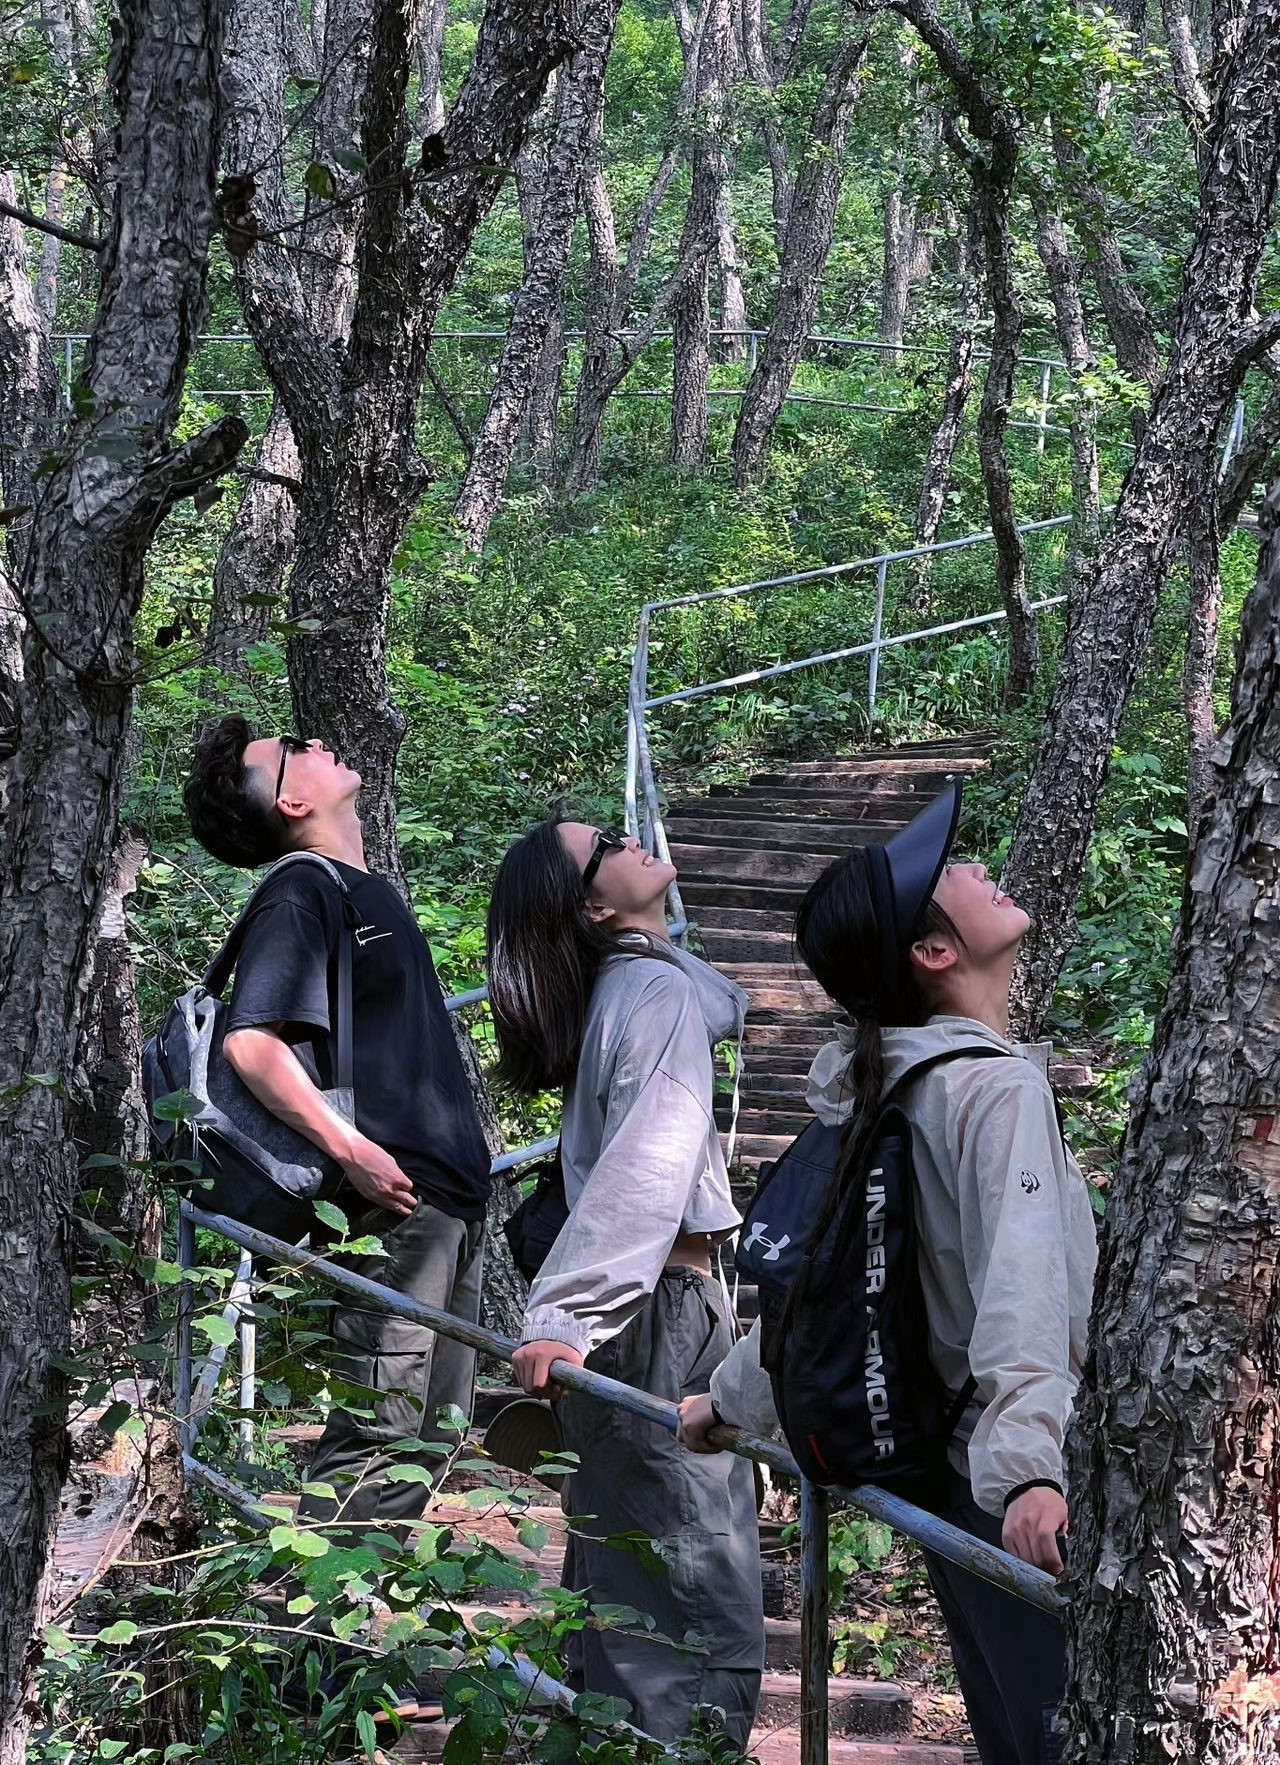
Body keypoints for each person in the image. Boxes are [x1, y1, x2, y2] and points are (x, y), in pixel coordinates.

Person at [678, 782, 1098, 1765]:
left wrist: (731, 1403)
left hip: (948, 1475)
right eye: (950, 873)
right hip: (1016, 1490)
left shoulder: (881, 1081)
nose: (975, 866)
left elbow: (822, 1276)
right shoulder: (991, 1088)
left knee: (1014, 1733)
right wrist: (1032, 1467)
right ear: (932, 953)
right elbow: (1021, 1283)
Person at [486, 816, 764, 1748]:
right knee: (686, 1594)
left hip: (636, 1320)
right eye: (605, 839)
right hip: (659, 1317)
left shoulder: (635, 985)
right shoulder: (649, 991)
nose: (632, 832)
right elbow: (651, 1155)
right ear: (596, 905)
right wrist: (568, 1310)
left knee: (630, 1583)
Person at [183, 714, 492, 1529]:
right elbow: (253, 1042)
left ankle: (349, 1637)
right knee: (377, 1436)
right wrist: (351, 1149)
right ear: (289, 797)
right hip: (393, 1201)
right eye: (295, 748)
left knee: (432, 1437)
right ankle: (311, 1644)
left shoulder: (356, 889)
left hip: (442, 1200)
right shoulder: (301, 888)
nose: (318, 742)